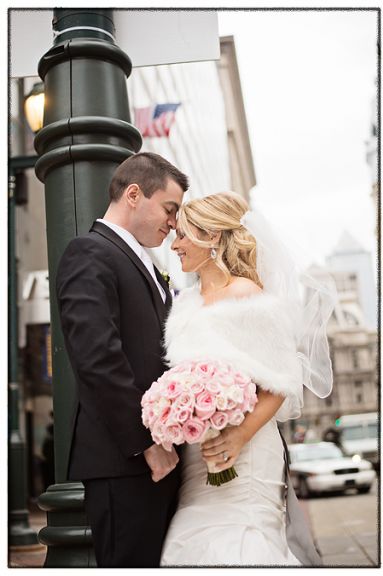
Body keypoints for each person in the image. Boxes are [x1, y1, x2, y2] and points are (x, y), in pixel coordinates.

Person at [159, 192, 335, 566]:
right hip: (198, 457)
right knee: (188, 545)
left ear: (213, 236)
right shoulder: (185, 304)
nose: (175, 245)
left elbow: (283, 380)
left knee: (239, 544)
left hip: (247, 449)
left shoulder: (248, 295)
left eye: (183, 235)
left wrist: (238, 435)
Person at [56, 152, 189, 567]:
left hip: (161, 458)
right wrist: (146, 442)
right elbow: (97, 358)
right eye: (169, 209)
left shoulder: (144, 262)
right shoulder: (89, 252)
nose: (174, 223)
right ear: (134, 194)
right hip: (126, 461)